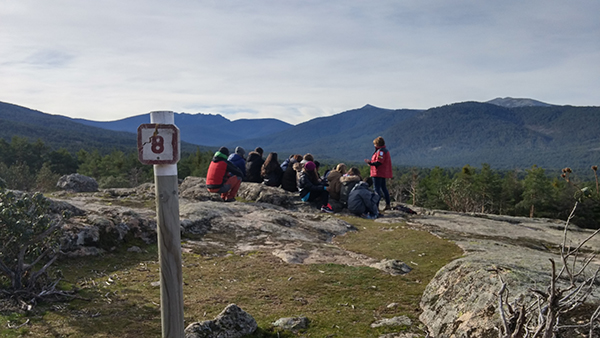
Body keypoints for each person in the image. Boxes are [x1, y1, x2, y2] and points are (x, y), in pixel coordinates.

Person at [364, 136, 393, 210]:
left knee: (377, 190)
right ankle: (388, 204)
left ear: (377, 144)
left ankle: (376, 206)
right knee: (383, 188)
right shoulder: (384, 150)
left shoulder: (381, 152)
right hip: (382, 172)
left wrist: (370, 163)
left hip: (378, 172)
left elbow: (379, 162)